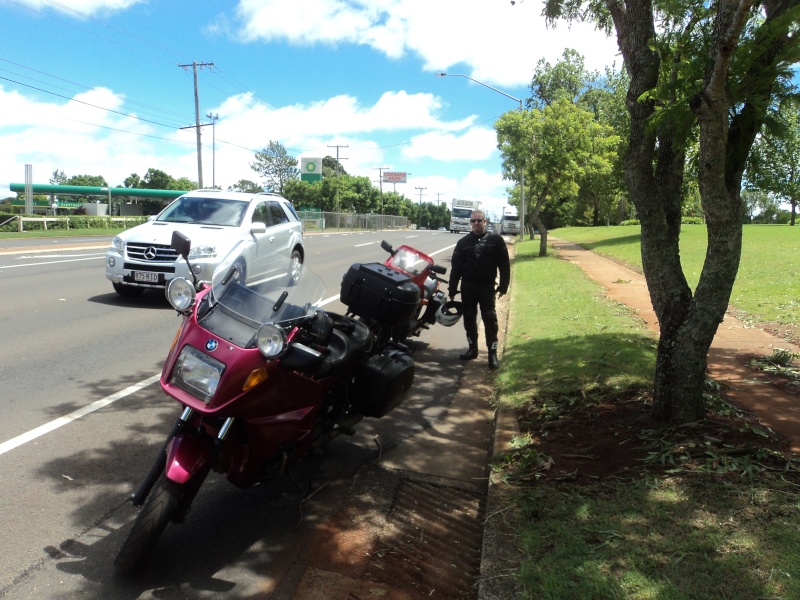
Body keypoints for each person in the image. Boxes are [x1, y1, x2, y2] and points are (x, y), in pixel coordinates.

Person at [448, 210, 510, 369]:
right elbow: (456, 268)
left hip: (487, 286)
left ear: (485, 221)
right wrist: (452, 288)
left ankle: (492, 354)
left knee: (489, 318)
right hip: (468, 286)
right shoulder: (463, 243)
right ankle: (472, 349)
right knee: (469, 317)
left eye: (479, 220)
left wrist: (504, 286)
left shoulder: (496, 240)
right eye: (473, 221)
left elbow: (504, 265)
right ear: (470, 223)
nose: (476, 223)